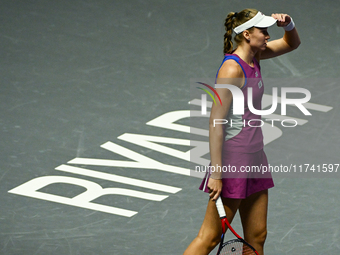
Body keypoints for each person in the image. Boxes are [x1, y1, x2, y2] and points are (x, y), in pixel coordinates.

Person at [183, 9, 300, 255]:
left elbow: (292, 43)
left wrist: (288, 24)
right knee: (210, 237)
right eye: (263, 31)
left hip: (256, 155)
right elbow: (216, 122)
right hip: (234, 159)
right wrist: (216, 172)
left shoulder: (255, 56)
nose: (268, 35)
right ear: (247, 34)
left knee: (257, 236)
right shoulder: (232, 69)